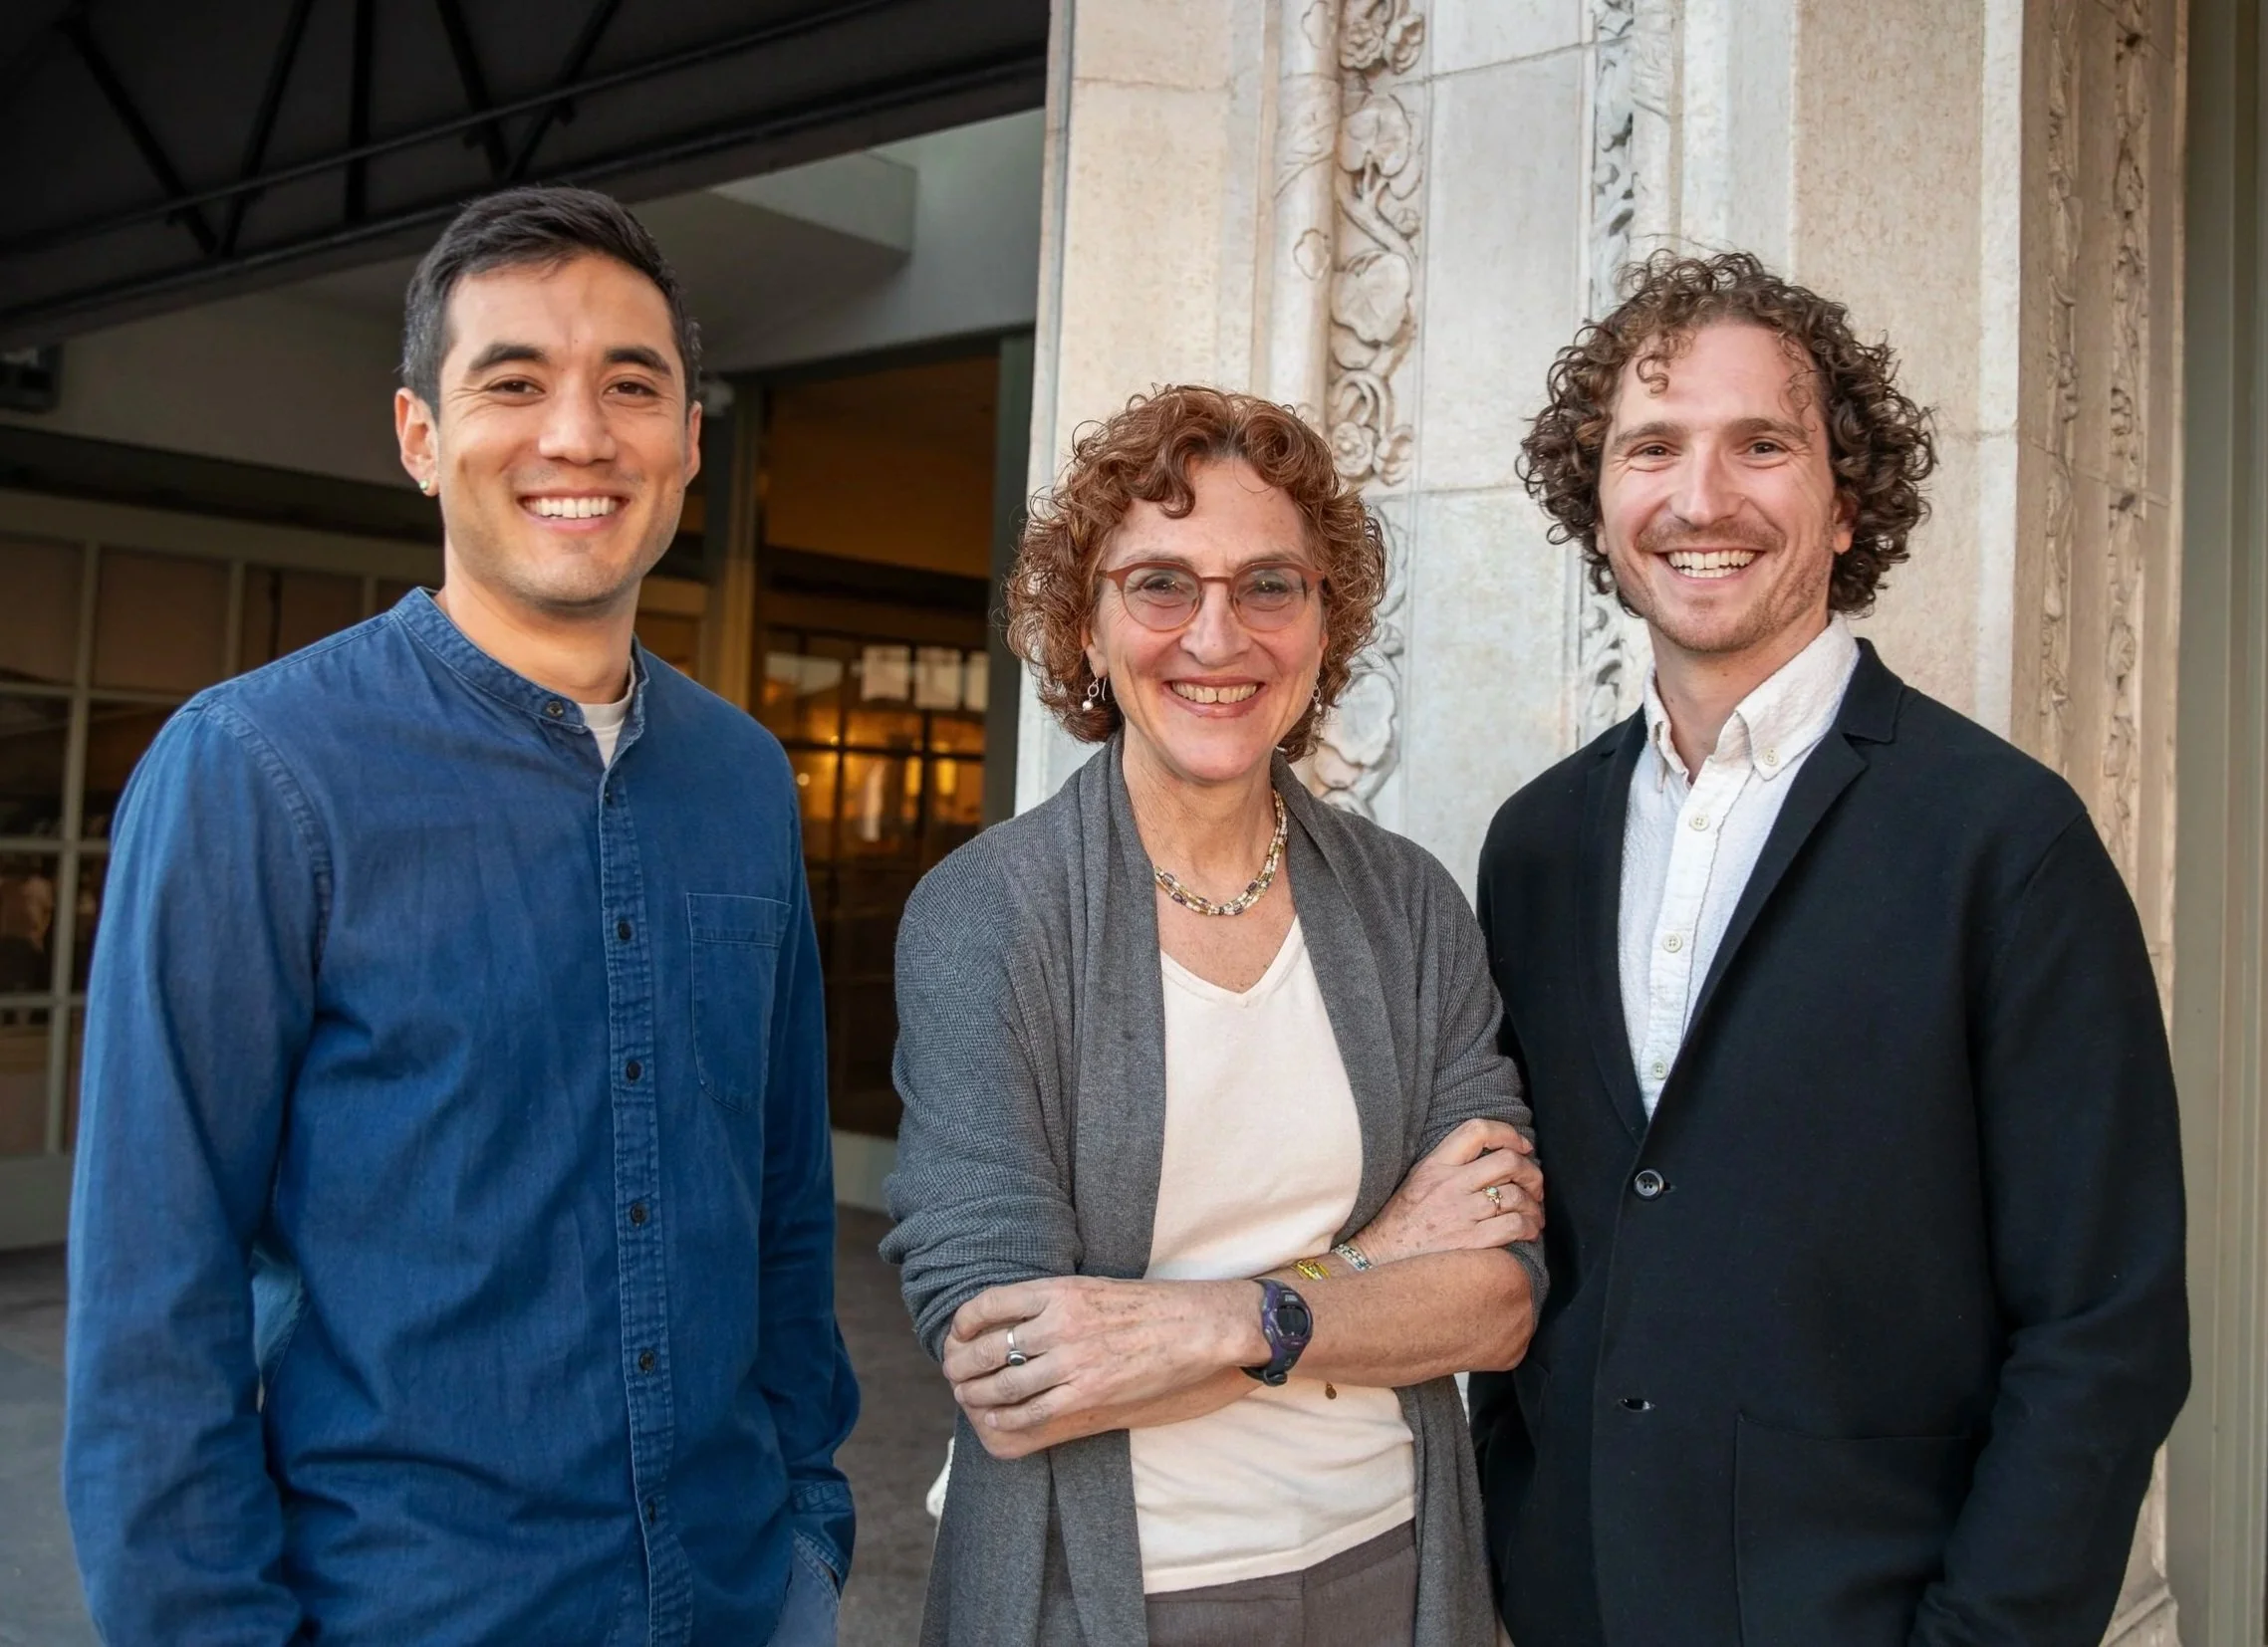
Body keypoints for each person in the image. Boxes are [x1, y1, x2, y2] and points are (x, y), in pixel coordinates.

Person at [65, 186, 857, 1647]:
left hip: (741, 1599)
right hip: (407, 1610)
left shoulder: (744, 778)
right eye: (513, 382)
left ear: (689, 439)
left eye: (633, 384)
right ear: (421, 437)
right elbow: (147, 1306)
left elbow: (783, 1203)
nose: (578, 434)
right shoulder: (254, 772)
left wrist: (808, 1519)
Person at [1470, 251, 2189, 1647]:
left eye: (1762, 444)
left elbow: (2103, 1325)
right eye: (1651, 447)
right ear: (1597, 498)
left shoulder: (2005, 838)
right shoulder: (1536, 845)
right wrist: (1521, 1535)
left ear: (1846, 498)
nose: (1699, 497)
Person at [882, 385, 1547, 1647]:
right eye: (1161, 585)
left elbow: (1497, 1298)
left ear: (1323, 625)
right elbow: (1024, 1371)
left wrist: (1210, 1317)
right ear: (1084, 626)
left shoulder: (1407, 902)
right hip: (1104, 1593)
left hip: (1399, 1568)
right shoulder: (990, 915)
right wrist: (1364, 1265)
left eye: (1268, 586)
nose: (1216, 634)